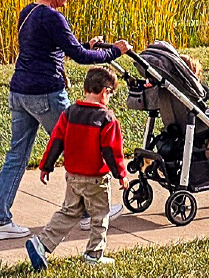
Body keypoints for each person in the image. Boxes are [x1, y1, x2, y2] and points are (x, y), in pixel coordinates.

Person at [0, 0, 132, 241]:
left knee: (16, 156)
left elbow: (53, 50)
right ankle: (88, 213)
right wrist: (114, 52)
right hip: (45, 95)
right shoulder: (53, 17)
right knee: (84, 144)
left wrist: (88, 47)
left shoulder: (29, 12)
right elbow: (79, 58)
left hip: (20, 93)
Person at [23, 65, 128, 271]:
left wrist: (46, 166)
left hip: (72, 176)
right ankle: (94, 254)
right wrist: (121, 175)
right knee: (100, 216)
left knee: (69, 212)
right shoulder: (107, 119)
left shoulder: (69, 113)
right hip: (96, 179)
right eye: (111, 94)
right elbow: (111, 151)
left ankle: (42, 244)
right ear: (105, 91)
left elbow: (56, 141)